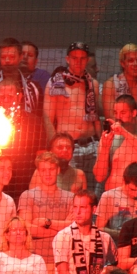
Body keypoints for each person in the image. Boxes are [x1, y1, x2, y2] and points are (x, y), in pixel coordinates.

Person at [43, 41, 101, 192]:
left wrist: (102, 144)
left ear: (87, 60)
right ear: (67, 59)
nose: (78, 62)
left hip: (92, 145)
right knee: (69, 191)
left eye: (82, 58)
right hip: (68, 148)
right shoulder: (56, 83)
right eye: (74, 58)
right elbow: (47, 118)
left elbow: (96, 117)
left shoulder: (92, 84)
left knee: (91, 192)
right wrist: (53, 148)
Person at [52, 190, 117, 274]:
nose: (77, 211)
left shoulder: (105, 238)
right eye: (75, 207)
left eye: (82, 207)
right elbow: (63, 272)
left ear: (94, 209)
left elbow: (115, 266)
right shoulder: (63, 236)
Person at [18, 152, 75, 274]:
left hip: (65, 262)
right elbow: (27, 229)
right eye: (43, 170)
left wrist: (47, 222)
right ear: (38, 172)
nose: (48, 173)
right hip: (35, 261)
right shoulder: (27, 196)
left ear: (58, 170)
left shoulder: (71, 197)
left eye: (51, 169)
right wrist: (61, 228)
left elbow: (73, 228)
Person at [94, 95, 137, 191]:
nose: (118, 117)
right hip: (114, 195)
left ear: (134, 113)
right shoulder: (107, 138)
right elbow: (99, 177)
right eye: (115, 112)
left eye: (123, 113)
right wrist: (105, 148)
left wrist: (124, 132)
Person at [102, 43, 137, 127]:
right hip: (117, 136)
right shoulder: (110, 85)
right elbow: (111, 119)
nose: (135, 64)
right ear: (122, 63)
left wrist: (126, 119)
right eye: (130, 60)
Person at [0, 38, 40, 115]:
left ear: (20, 57)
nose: (7, 60)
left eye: (11, 57)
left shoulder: (33, 88)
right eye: (3, 57)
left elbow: (38, 119)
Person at [96, 162, 137, 242]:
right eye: (132, 189)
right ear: (124, 181)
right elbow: (99, 228)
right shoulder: (109, 196)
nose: (136, 195)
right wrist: (123, 234)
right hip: (116, 245)